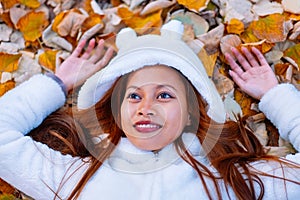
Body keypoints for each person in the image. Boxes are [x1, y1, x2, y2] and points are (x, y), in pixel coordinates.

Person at [0, 20, 299, 200]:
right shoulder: (75, 180)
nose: (146, 108)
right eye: (133, 96)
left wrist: (274, 96)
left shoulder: (234, 183)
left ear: (192, 112)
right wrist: (57, 83)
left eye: (164, 95)